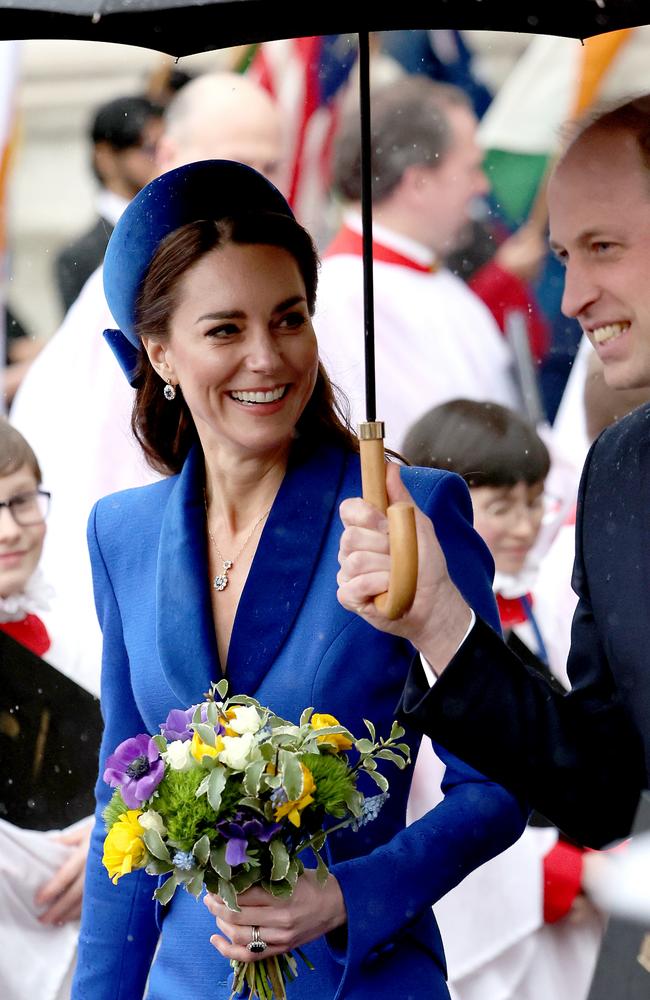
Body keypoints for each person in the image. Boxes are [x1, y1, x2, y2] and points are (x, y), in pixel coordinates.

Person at [72, 159, 527, 1000]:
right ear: (160, 353)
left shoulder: (407, 511)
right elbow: (122, 808)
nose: (266, 357)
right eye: (224, 329)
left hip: (365, 981)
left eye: (289, 319)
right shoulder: (120, 534)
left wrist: (347, 895)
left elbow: (498, 783)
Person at [336, 96, 650, 851]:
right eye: (566, 257)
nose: (572, 300)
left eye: (604, 246)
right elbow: (600, 789)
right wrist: (438, 617)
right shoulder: (617, 471)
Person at [10, 71, 287, 697]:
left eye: (273, 164)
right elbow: (100, 500)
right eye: (238, 163)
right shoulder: (119, 315)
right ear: (166, 155)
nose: (259, 188)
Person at [403, 400, 603, 1000]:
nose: (524, 525)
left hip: (570, 928)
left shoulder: (554, 612)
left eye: (534, 501)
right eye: (499, 506)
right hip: (496, 925)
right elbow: (423, 803)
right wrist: (565, 873)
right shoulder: (407, 644)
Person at [314, 76, 520, 450]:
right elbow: (430, 455)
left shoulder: (438, 282)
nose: (482, 186)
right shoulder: (346, 297)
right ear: (419, 183)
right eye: (471, 168)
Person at [0, 418, 96, 1000]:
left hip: (90, 937)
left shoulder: (86, 631)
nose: (9, 529)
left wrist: (112, 839)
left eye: (21, 501)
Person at [55, 95, 163, 314]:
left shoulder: (183, 223)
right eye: (150, 148)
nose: (163, 158)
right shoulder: (80, 256)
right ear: (105, 157)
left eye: (168, 147)